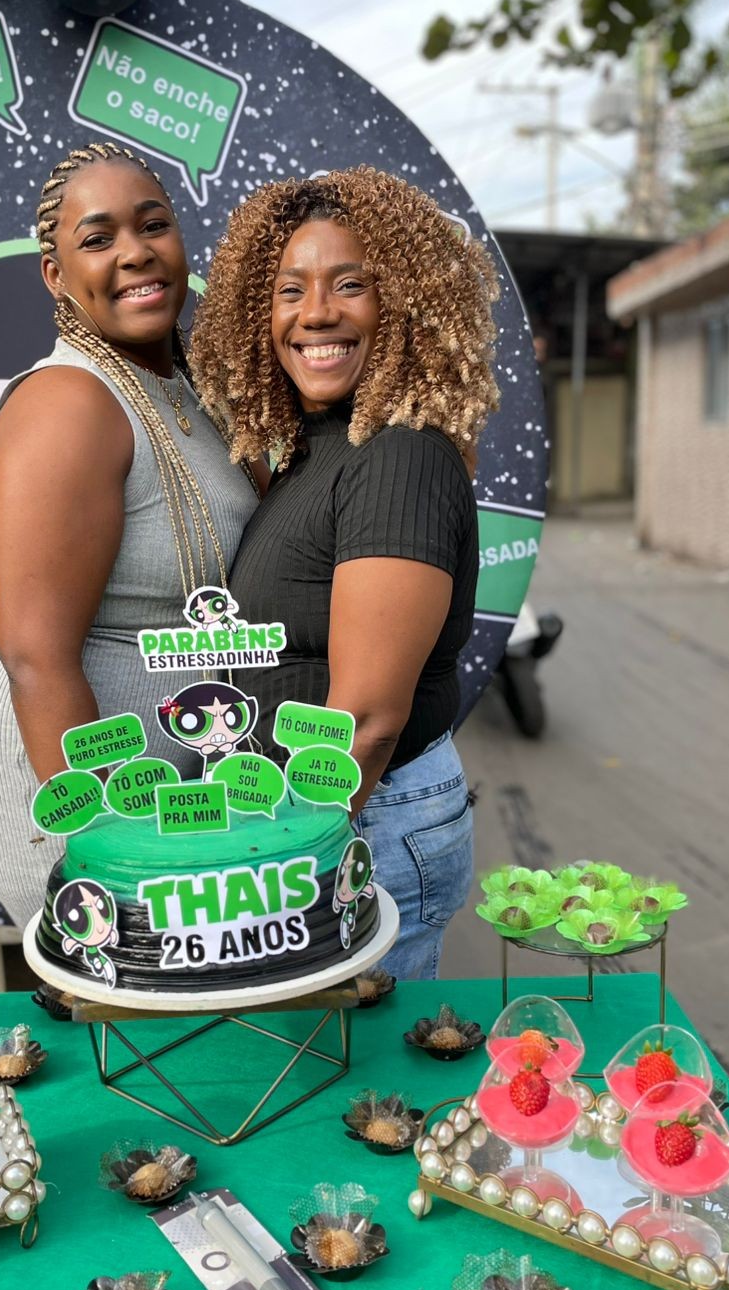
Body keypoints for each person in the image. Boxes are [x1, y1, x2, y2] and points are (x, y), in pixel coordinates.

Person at [190, 167, 499, 980]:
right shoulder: (322, 447)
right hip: (326, 817)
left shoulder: (399, 456)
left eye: (350, 285)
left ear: (405, 303)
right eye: (290, 290)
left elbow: (365, 720)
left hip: (359, 819)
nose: (317, 312)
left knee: (363, 1061)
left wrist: (287, 865)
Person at [0, 140, 261, 927]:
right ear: (55, 275)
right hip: (71, 793)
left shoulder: (182, 387)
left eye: (153, 225)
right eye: (98, 238)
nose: (135, 253)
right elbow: (35, 656)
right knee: (119, 996)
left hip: (176, 779)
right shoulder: (70, 402)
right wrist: (104, 848)